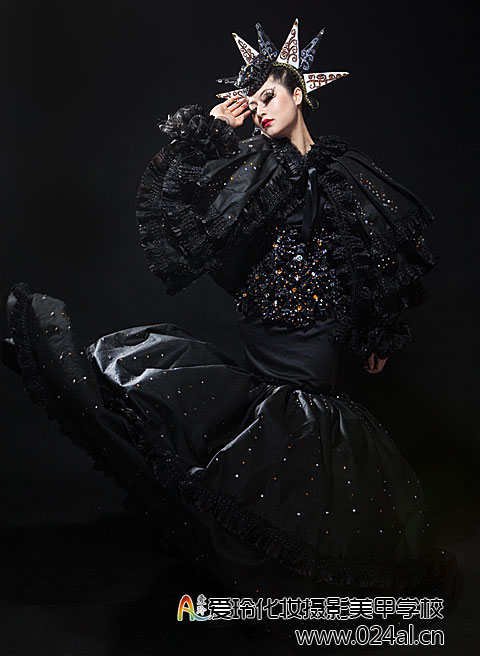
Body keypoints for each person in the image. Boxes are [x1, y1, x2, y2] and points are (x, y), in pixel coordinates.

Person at [2, 18, 460, 624]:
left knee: (307, 427)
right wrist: (211, 132)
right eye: (254, 99)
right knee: (259, 430)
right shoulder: (253, 165)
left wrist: (379, 328)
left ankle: (291, 566)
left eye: (270, 96)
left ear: (300, 92)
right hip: (266, 320)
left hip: (316, 329)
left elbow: (371, 249)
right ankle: (253, 563)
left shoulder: (343, 170)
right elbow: (180, 208)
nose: (261, 109)